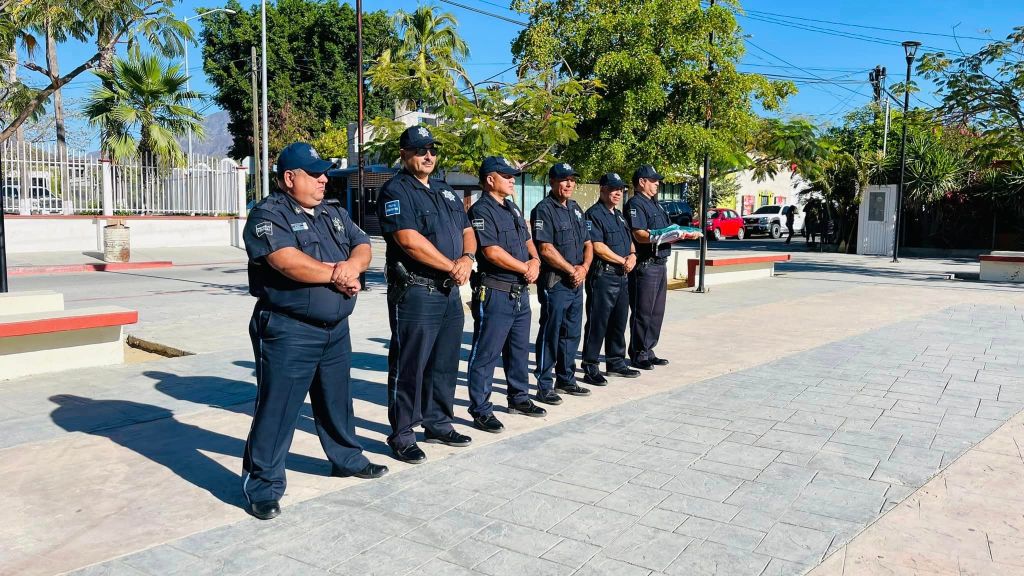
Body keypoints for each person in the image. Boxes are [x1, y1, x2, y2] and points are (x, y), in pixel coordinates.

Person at [241, 142, 387, 521]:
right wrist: (339, 275)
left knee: (337, 400)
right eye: (315, 173)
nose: (324, 179)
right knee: (278, 408)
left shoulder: (332, 212)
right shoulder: (267, 215)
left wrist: (352, 267)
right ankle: (263, 485)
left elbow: (362, 243)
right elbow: (287, 262)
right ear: (290, 178)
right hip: (290, 330)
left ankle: (346, 458)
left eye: (324, 172)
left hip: (335, 328)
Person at [377, 125, 474, 464]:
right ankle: (403, 433)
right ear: (404, 155)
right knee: (410, 365)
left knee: (445, 364)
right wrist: (452, 265)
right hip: (417, 291)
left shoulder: (446, 191)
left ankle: (438, 422)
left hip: (448, 291)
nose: (429, 156)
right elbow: (408, 240)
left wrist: (467, 258)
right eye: (420, 151)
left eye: (432, 149)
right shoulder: (395, 191)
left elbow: (467, 230)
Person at [465, 157, 548, 433]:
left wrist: (535, 260)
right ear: (490, 179)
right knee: (486, 353)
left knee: (519, 350)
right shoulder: (481, 210)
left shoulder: (511, 207)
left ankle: (519, 397)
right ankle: (481, 409)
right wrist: (525, 266)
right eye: (507, 176)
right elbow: (491, 252)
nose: (513, 180)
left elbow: (527, 239)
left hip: (520, 292)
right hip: (497, 291)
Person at [532, 161, 593, 405]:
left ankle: (566, 378)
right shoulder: (543, 209)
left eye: (572, 179)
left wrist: (585, 268)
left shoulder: (576, 209)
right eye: (564, 179)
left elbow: (588, 243)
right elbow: (545, 249)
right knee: (551, 332)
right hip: (556, 282)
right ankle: (544, 385)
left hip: (576, 282)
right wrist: (571, 270)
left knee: (571, 332)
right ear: (552, 182)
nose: (569, 184)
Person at [581, 173, 641, 385]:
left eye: (621, 189)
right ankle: (590, 365)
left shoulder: (619, 215)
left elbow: (630, 241)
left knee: (618, 321)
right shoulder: (593, 214)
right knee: (598, 323)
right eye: (613, 189)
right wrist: (621, 260)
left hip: (622, 275)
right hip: (604, 275)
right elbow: (597, 246)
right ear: (602, 189)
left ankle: (616, 361)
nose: (618, 193)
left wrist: (632, 256)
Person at [624, 164, 671, 370]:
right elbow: (639, 234)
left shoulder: (656, 204)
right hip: (646, 264)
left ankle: (649, 349)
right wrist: (662, 236)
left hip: (661, 263)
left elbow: (667, 228)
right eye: (653, 180)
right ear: (642, 182)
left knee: (656, 311)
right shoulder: (636, 203)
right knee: (643, 311)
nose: (657, 183)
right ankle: (638, 352)